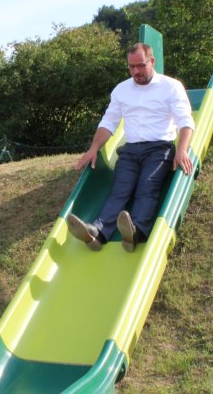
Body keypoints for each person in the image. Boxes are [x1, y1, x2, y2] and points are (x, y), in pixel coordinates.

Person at [66, 43, 194, 253]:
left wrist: (181, 150)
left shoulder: (171, 86)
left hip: (159, 148)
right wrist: (93, 148)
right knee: (119, 190)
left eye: (141, 66)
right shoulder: (122, 90)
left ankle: (136, 231)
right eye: (131, 67)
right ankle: (97, 233)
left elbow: (185, 121)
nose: (136, 71)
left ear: (152, 62)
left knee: (147, 187)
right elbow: (109, 122)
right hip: (131, 149)